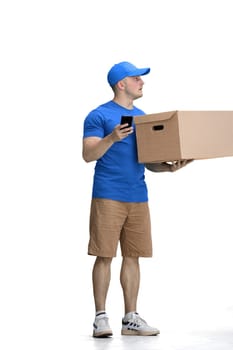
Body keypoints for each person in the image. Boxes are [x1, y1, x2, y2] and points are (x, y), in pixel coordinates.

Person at [82, 61, 191, 338]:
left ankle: (130, 318)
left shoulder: (142, 117)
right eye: (136, 78)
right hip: (108, 194)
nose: (141, 82)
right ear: (121, 84)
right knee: (105, 255)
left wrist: (167, 166)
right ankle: (100, 318)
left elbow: (147, 160)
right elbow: (88, 154)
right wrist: (111, 138)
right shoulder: (98, 115)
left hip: (138, 196)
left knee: (134, 256)